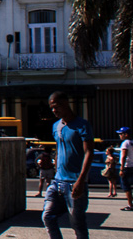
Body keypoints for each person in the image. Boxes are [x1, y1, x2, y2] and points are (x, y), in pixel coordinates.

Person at [42, 91, 94, 239]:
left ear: (65, 104)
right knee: (47, 216)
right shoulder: (56, 126)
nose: (54, 110)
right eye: (51, 107)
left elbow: (89, 152)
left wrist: (81, 180)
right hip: (58, 181)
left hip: (75, 182)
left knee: (77, 224)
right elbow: (59, 150)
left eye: (56, 106)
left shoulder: (82, 125)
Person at [120, 126, 133, 211]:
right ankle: (132, 201)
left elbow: (123, 156)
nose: (120, 135)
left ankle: (130, 205)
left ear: (126, 134)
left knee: (126, 187)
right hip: (132, 166)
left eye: (121, 134)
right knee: (128, 185)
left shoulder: (125, 143)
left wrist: (121, 168)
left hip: (126, 167)